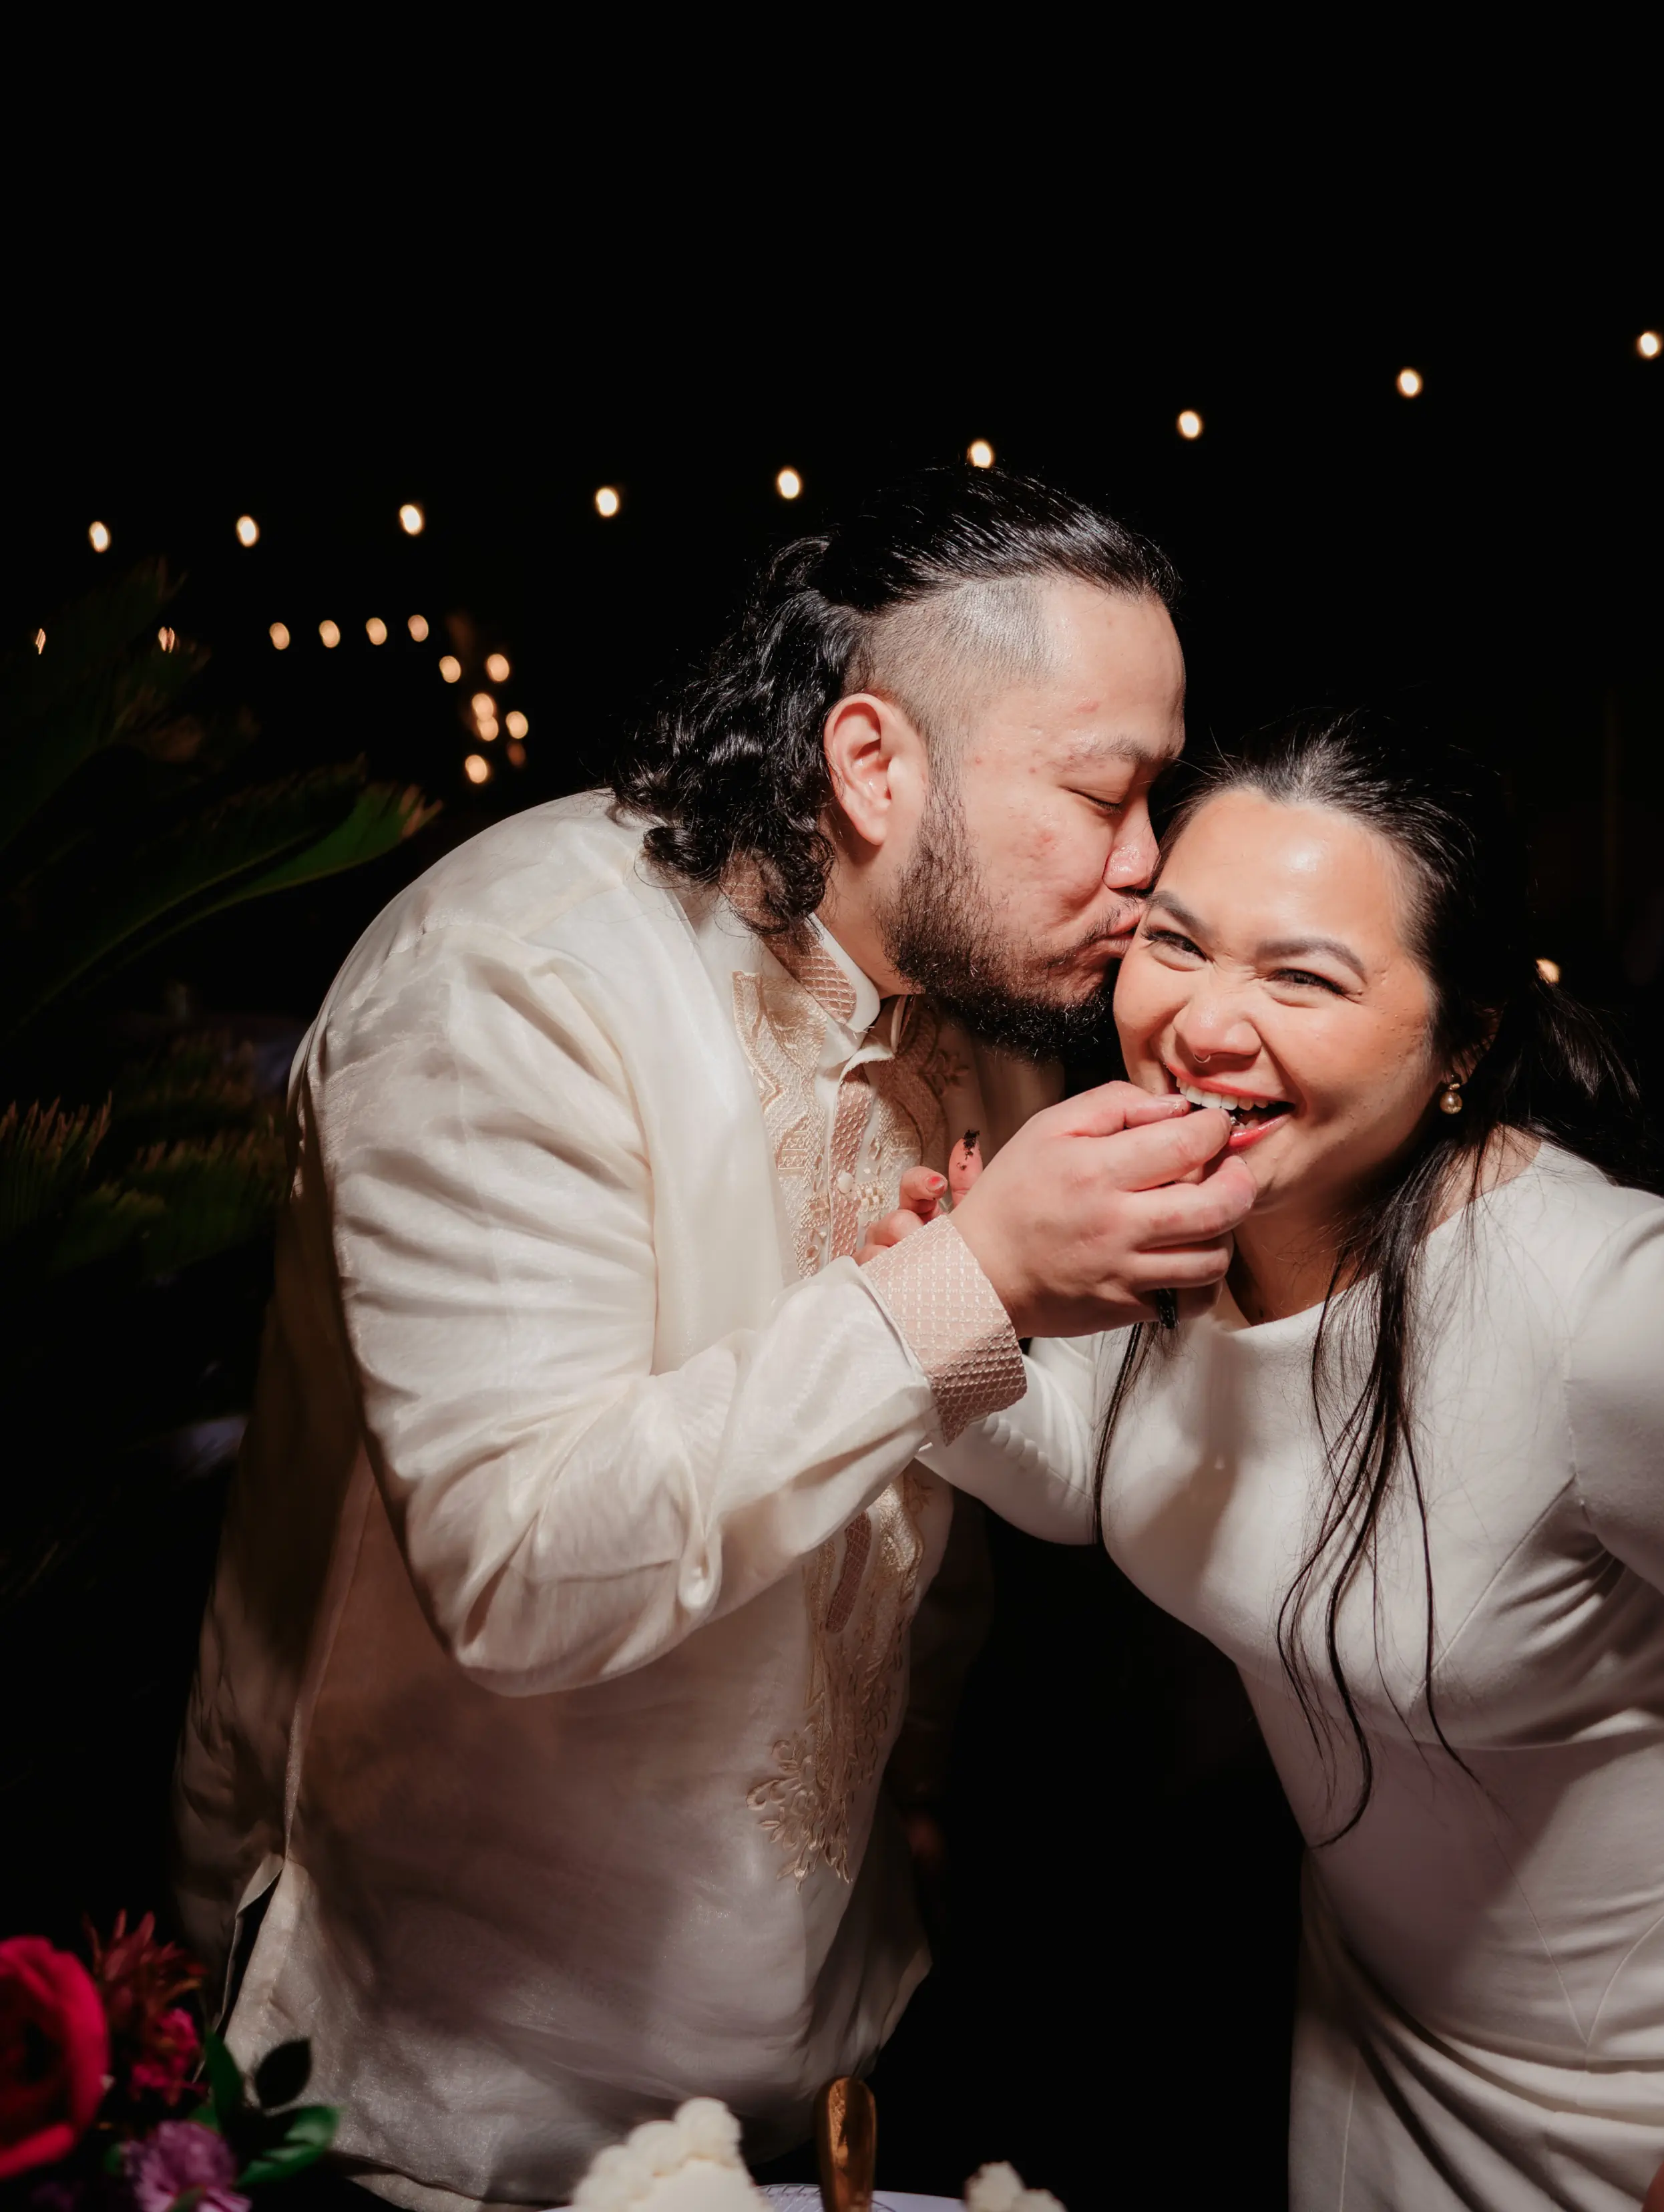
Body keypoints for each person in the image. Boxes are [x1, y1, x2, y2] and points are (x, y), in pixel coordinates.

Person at [172, 467, 1257, 2209]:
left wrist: (909, 1806)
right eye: (1102, 796)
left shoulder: (984, 1021)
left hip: (828, 2060)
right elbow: (519, 1566)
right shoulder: (513, 984)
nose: (1148, 869)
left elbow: (931, 1512)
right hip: (449, 2104)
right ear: (874, 761)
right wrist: (974, 1274)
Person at [884, 712, 1664, 2211]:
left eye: (1301, 977)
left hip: (1644, 2109)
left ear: (1460, 1043)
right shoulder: (1171, 1208)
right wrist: (959, 1315)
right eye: (1178, 946)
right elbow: (1124, 1485)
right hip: (1362, 2060)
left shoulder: (1622, 1314)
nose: (1201, 1022)